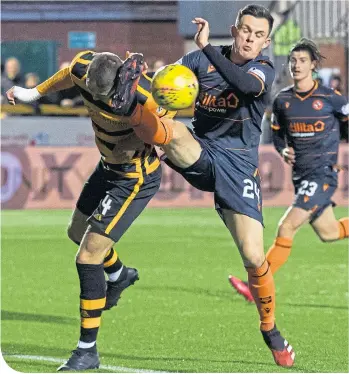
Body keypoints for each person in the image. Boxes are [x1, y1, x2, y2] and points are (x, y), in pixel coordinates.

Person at [121, 4, 295, 368]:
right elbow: (169, 88)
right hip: (201, 150)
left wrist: (207, 48)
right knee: (172, 133)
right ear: (235, 30)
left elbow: (244, 85)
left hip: (240, 166)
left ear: (265, 41)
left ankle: (270, 329)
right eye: (245, 30)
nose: (250, 38)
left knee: (252, 256)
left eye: (258, 34)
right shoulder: (197, 62)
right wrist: (149, 91)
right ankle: (132, 119)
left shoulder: (262, 68)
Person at [7, 51, 175, 371]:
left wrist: (158, 133)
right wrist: (32, 93)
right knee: (75, 232)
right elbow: (66, 74)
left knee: (87, 257)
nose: (101, 100)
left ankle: (87, 351)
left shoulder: (142, 93)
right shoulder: (82, 68)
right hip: (107, 167)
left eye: (107, 95)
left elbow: (167, 128)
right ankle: (119, 275)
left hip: (134, 178)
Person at [229, 38, 349, 302]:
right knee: (329, 232)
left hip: (323, 174)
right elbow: (278, 135)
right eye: (293, 60)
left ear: (314, 65)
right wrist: (283, 150)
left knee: (286, 227)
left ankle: (256, 288)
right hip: (302, 176)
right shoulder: (283, 101)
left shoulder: (331, 99)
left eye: (302, 61)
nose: (296, 65)